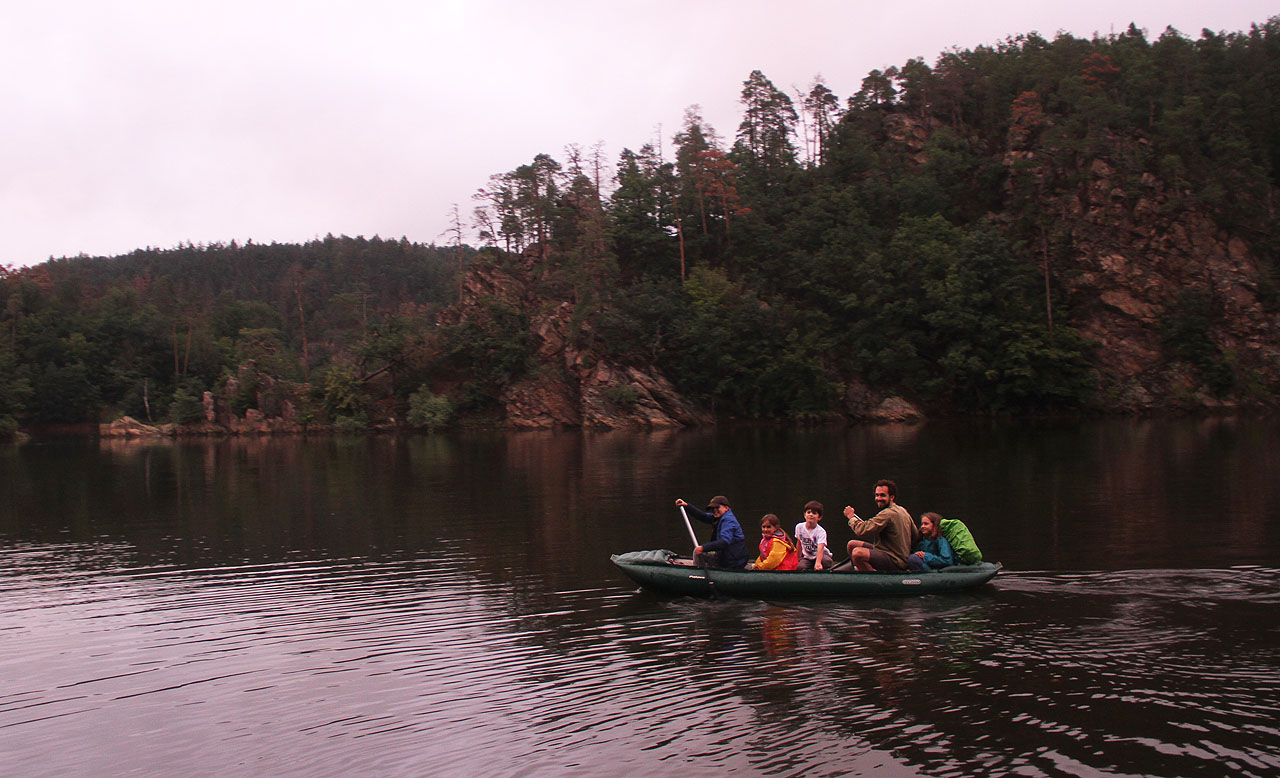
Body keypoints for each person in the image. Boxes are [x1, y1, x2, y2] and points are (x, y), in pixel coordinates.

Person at [843, 479, 920, 571]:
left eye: (883, 495)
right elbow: (916, 536)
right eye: (877, 495)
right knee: (852, 545)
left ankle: (872, 579)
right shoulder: (903, 510)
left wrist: (851, 517)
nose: (879, 498)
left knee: (857, 553)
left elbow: (862, 531)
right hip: (886, 552)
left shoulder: (887, 514)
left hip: (895, 560)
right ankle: (860, 569)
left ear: (892, 497)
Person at [675, 495, 748, 569]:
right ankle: (702, 569)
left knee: (698, 552)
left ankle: (699, 574)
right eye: (712, 508)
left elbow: (724, 541)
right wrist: (687, 506)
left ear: (726, 508)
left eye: (717, 507)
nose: (714, 510)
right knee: (698, 551)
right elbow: (703, 516)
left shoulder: (728, 521)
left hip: (734, 561)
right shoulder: (719, 517)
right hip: (728, 557)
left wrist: (703, 548)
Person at [794, 500, 834, 571]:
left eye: (814, 513)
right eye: (808, 512)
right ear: (804, 515)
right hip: (808, 557)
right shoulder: (799, 527)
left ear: (819, 517)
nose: (811, 515)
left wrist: (818, 563)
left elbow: (820, 547)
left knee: (826, 562)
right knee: (800, 567)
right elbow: (799, 543)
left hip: (821, 555)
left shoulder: (821, 531)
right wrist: (797, 559)